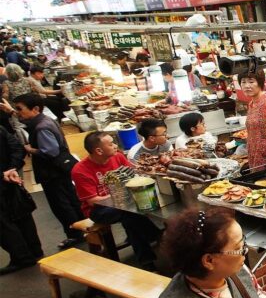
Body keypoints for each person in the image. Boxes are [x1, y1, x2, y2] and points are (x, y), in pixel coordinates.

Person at [71, 131, 161, 267]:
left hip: (126, 202)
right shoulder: (80, 170)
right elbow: (93, 200)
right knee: (130, 215)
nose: (115, 145)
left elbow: (135, 173)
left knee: (136, 213)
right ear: (99, 150)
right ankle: (156, 240)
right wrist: (121, 193)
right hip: (99, 209)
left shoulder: (118, 157)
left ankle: (149, 253)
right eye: (111, 143)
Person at [11, 93, 83, 247]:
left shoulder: (41, 127)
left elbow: (50, 151)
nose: (17, 112)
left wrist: (31, 149)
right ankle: (82, 229)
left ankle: (75, 234)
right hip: (59, 170)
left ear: (35, 109)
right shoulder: (45, 121)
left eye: (19, 109)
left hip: (52, 173)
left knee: (61, 204)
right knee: (71, 200)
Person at [0, 115, 42, 273]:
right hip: (10, 180)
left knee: (4, 225)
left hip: (5, 180)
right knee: (22, 216)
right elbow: (17, 148)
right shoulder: (1, 129)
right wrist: (12, 169)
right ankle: (35, 250)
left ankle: (22, 258)